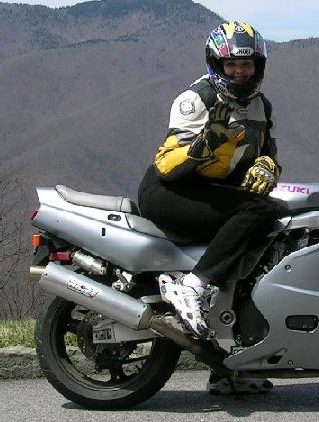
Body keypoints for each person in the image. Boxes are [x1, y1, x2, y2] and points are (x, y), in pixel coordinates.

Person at [137, 21, 281, 393]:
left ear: (258, 66)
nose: (239, 72)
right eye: (231, 64)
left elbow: (267, 153)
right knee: (258, 212)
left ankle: (229, 365)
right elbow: (167, 167)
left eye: (246, 65)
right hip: (173, 193)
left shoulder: (260, 106)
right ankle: (192, 287)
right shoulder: (195, 99)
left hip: (212, 192)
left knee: (270, 231)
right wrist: (204, 144)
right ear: (216, 65)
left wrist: (267, 166)